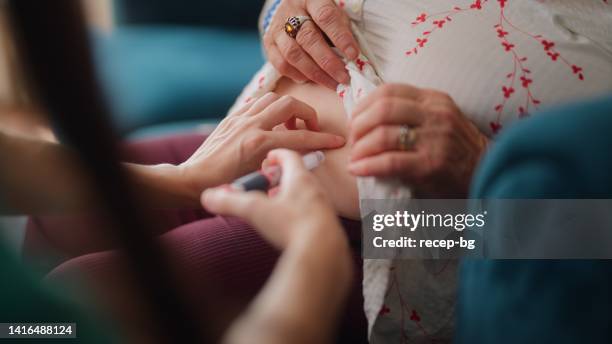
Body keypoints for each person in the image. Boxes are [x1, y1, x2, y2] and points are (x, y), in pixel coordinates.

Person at [24, 0, 612, 342]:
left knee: (75, 305)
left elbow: (588, 234)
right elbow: (288, 12)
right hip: (252, 130)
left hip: (415, 232)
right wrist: (283, 17)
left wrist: (485, 171)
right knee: (58, 218)